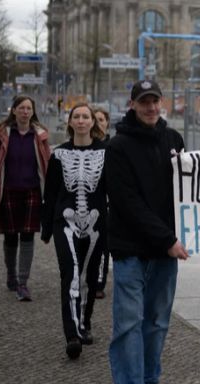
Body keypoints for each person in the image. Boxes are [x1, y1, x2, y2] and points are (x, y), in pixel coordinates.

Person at [105, 80, 189, 384]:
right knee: (128, 323)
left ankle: (150, 380)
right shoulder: (118, 147)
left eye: (155, 101)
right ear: (133, 104)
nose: (151, 107)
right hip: (130, 249)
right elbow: (128, 203)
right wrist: (167, 238)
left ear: (162, 102)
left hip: (165, 250)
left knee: (156, 322)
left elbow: (190, 189)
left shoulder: (174, 141)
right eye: (144, 102)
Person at [41, 103, 108, 360]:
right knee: (70, 274)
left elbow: (113, 190)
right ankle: (72, 334)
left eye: (85, 117)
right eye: (76, 116)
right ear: (70, 122)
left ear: (93, 122)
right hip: (65, 221)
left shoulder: (106, 152)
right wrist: (47, 229)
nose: (81, 121)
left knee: (91, 278)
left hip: (96, 222)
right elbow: (51, 192)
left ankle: (84, 323)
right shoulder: (59, 154)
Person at [0, 95, 52, 302]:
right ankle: (11, 275)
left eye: (29, 108)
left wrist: (49, 187)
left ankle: (23, 283)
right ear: (13, 110)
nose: (25, 112)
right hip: (9, 190)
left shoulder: (40, 134)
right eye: (21, 108)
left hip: (32, 191)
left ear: (33, 111)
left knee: (27, 236)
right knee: (10, 237)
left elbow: (47, 160)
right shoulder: (3, 133)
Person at [93, 106, 111, 300]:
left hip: (107, 204)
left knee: (104, 246)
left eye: (102, 119)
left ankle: (99, 281)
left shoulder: (112, 147)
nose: (98, 123)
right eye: (95, 119)